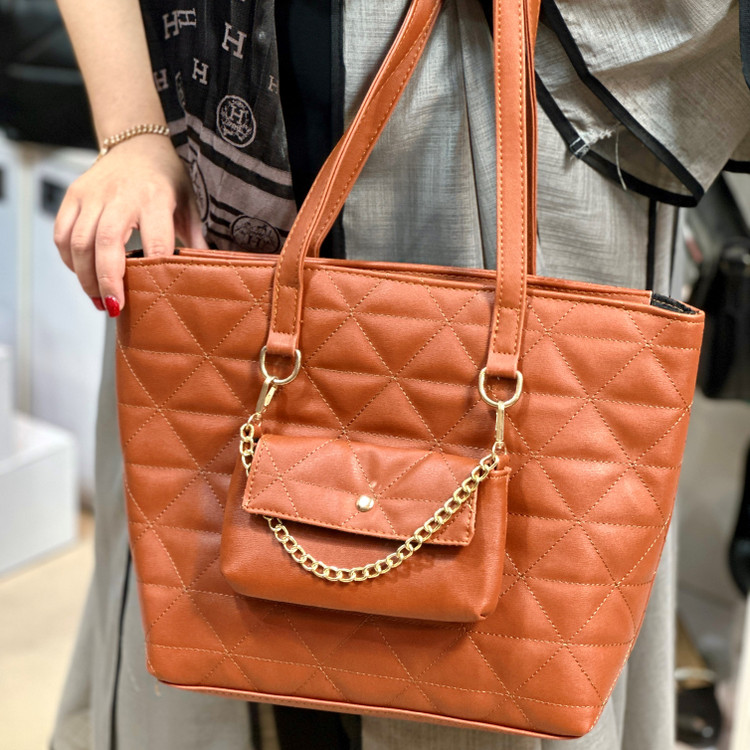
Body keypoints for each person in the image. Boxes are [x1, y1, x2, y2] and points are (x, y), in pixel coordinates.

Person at [51, 1, 750, 749]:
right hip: (220, 108)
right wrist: (133, 130)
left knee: (527, 638)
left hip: (521, 107)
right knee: (207, 571)